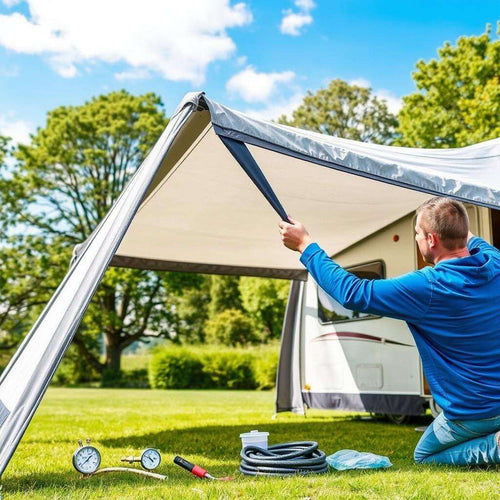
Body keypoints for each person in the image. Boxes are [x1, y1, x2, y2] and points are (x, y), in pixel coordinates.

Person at [278, 196, 500, 466]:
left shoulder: (428, 287)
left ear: (431, 240)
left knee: (425, 455)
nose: (416, 239)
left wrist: (305, 245)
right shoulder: (494, 261)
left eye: (417, 233)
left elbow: (353, 293)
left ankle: (495, 447)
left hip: (473, 411)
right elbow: (469, 237)